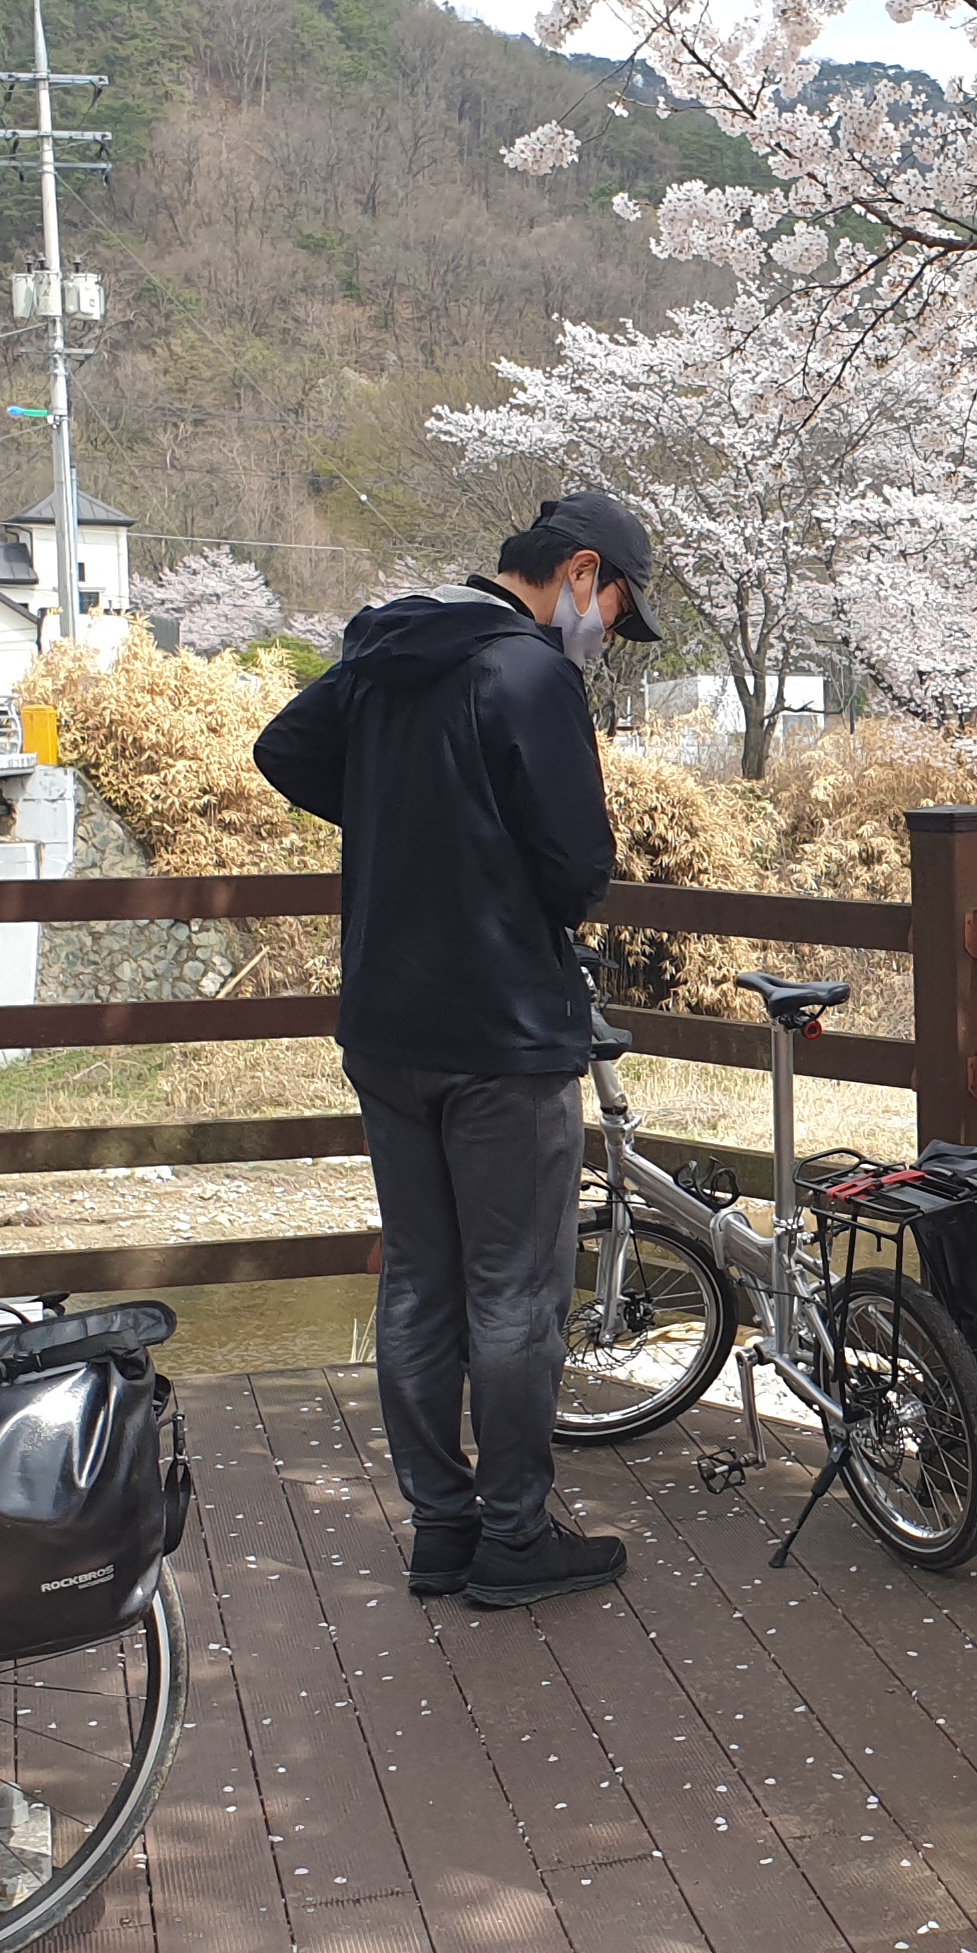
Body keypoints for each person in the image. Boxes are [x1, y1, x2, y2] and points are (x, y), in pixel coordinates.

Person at [253, 492, 659, 1606]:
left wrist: (405, 820)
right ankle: (516, 1539)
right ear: (581, 571)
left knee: (421, 1284)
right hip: (502, 1029)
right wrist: (487, 854)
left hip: (386, 1022)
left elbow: (284, 748)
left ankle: (442, 1529)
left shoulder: (390, 648)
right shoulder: (528, 673)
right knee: (514, 1293)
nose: (607, 635)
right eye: (615, 611)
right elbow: (578, 866)